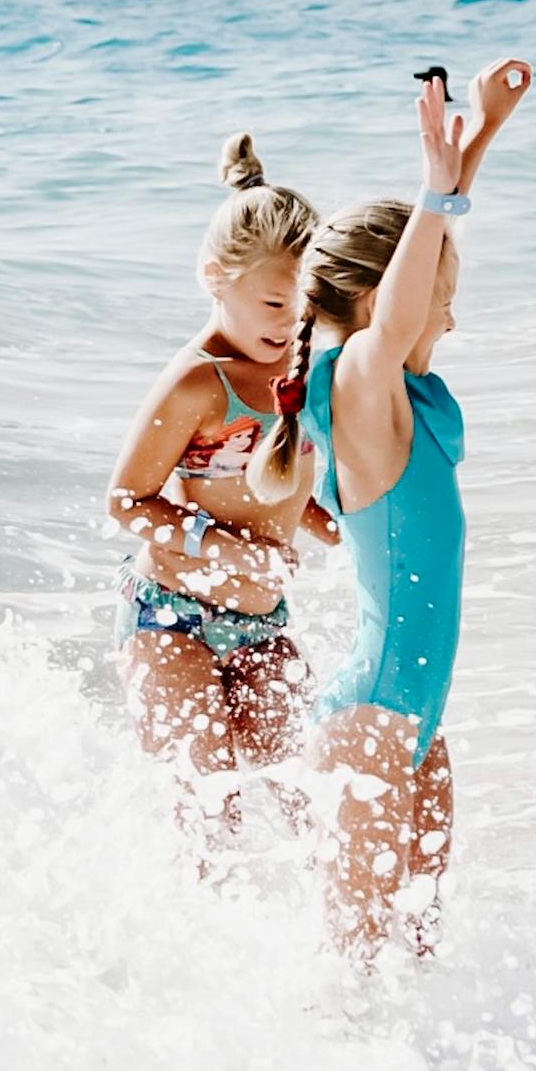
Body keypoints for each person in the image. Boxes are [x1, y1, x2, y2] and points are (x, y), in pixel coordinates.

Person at [250, 59, 532, 953]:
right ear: (386, 307)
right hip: (370, 725)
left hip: (412, 727)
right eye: (441, 305)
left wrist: (481, 136)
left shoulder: (395, 395)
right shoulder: (363, 393)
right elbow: (403, 305)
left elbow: (417, 274)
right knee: (354, 965)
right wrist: (433, 190)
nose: (449, 322)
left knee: (415, 954)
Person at [106, 133, 335, 844]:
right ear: (215, 277)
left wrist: (340, 526)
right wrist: (227, 549)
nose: (290, 325)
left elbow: (283, 489)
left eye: (305, 310)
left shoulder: (301, 371)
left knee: (307, 798)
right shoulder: (199, 382)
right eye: (273, 303)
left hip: (262, 622)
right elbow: (125, 500)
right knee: (208, 813)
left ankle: (326, 951)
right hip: (170, 617)